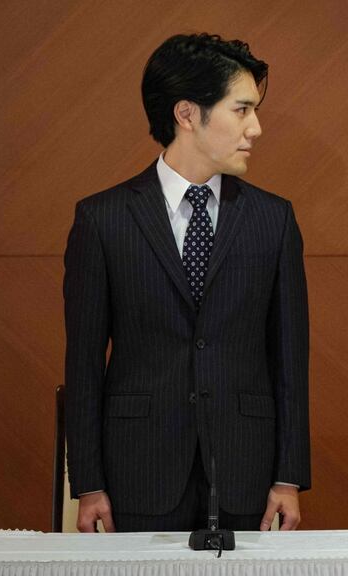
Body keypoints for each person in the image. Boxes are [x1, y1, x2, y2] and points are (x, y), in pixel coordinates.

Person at [64, 33, 310, 533]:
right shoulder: (103, 219)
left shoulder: (273, 219)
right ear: (187, 114)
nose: (256, 128)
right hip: (137, 472)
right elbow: (84, 363)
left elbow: (289, 358)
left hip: (247, 472)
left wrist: (288, 478)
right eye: (241, 109)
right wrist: (88, 484)